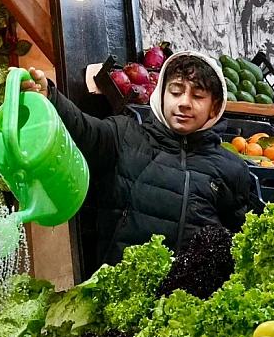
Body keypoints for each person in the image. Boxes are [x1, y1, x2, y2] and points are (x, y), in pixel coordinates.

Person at [20, 51, 252, 265]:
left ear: (215, 107)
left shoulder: (232, 169)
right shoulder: (123, 135)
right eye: (175, 92)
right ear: (161, 94)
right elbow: (83, 130)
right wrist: (51, 98)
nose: (184, 103)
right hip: (121, 295)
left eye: (198, 96)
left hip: (191, 305)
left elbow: (240, 240)